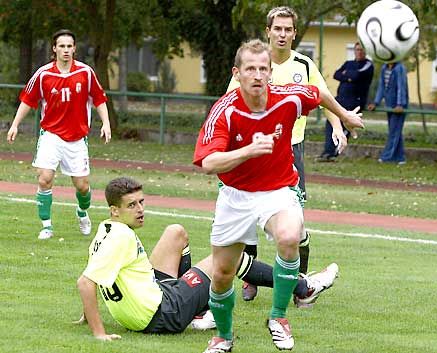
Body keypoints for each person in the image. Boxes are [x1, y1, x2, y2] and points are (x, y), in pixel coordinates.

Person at [193, 39, 362, 352]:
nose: (257, 74)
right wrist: (248, 151)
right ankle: (223, 337)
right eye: (250, 69)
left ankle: (279, 316)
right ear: (237, 73)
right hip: (235, 195)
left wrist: (345, 117)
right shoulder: (225, 110)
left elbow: (319, 93)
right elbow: (208, 163)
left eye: (262, 68)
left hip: (277, 189)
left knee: (289, 237)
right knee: (222, 274)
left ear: (270, 72)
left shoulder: (289, 98)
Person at [76, 176, 324, 340]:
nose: (140, 209)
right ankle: (304, 287)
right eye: (132, 205)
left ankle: (197, 310)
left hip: (151, 299)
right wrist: (99, 333)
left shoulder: (107, 229)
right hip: (163, 314)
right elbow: (86, 283)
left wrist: (87, 315)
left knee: (176, 233)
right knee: (229, 258)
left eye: (141, 202)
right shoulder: (122, 238)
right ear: (115, 210)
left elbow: (96, 271)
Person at [226, 6, 352, 303]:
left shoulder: (304, 65)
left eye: (288, 29)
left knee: (296, 224)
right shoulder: (255, 64)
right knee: (246, 220)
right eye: (277, 29)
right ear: (268, 31)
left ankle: (301, 284)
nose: (282, 34)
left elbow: (322, 98)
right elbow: (230, 103)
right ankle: (251, 280)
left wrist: (338, 126)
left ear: (294, 33)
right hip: (254, 150)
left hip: (291, 151)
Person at [6, 29, 111, 240]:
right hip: (51, 135)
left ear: (74, 48)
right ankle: (46, 226)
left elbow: (99, 99)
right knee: (45, 179)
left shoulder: (85, 72)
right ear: (54, 49)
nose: (65, 50)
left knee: (82, 186)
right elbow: (28, 100)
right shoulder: (44, 74)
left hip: (77, 138)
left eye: (69, 46)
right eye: (61, 46)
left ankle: (82, 212)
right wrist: (15, 124)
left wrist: (106, 124)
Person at [318, 42, 374, 162]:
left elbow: (356, 76)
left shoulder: (368, 65)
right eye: (357, 49)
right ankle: (327, 151)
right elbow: (336, 74)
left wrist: (347, 76)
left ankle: (333, 153)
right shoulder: (349, 63)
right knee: (331, 123)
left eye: (361, 50)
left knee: (344, 126)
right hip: (340, 99)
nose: (359, 52)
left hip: (354, 101)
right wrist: (348, 77)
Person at [368, 61, 408, 164]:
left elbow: (401, 86)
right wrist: (376, 103)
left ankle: (386, 157)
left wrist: (400, 104)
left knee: (394, 131)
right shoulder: (384, 68)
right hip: (389, 104)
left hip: (399, 105)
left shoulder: (399, 68)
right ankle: (400, 157)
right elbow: (382, 87)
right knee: (395, 130)